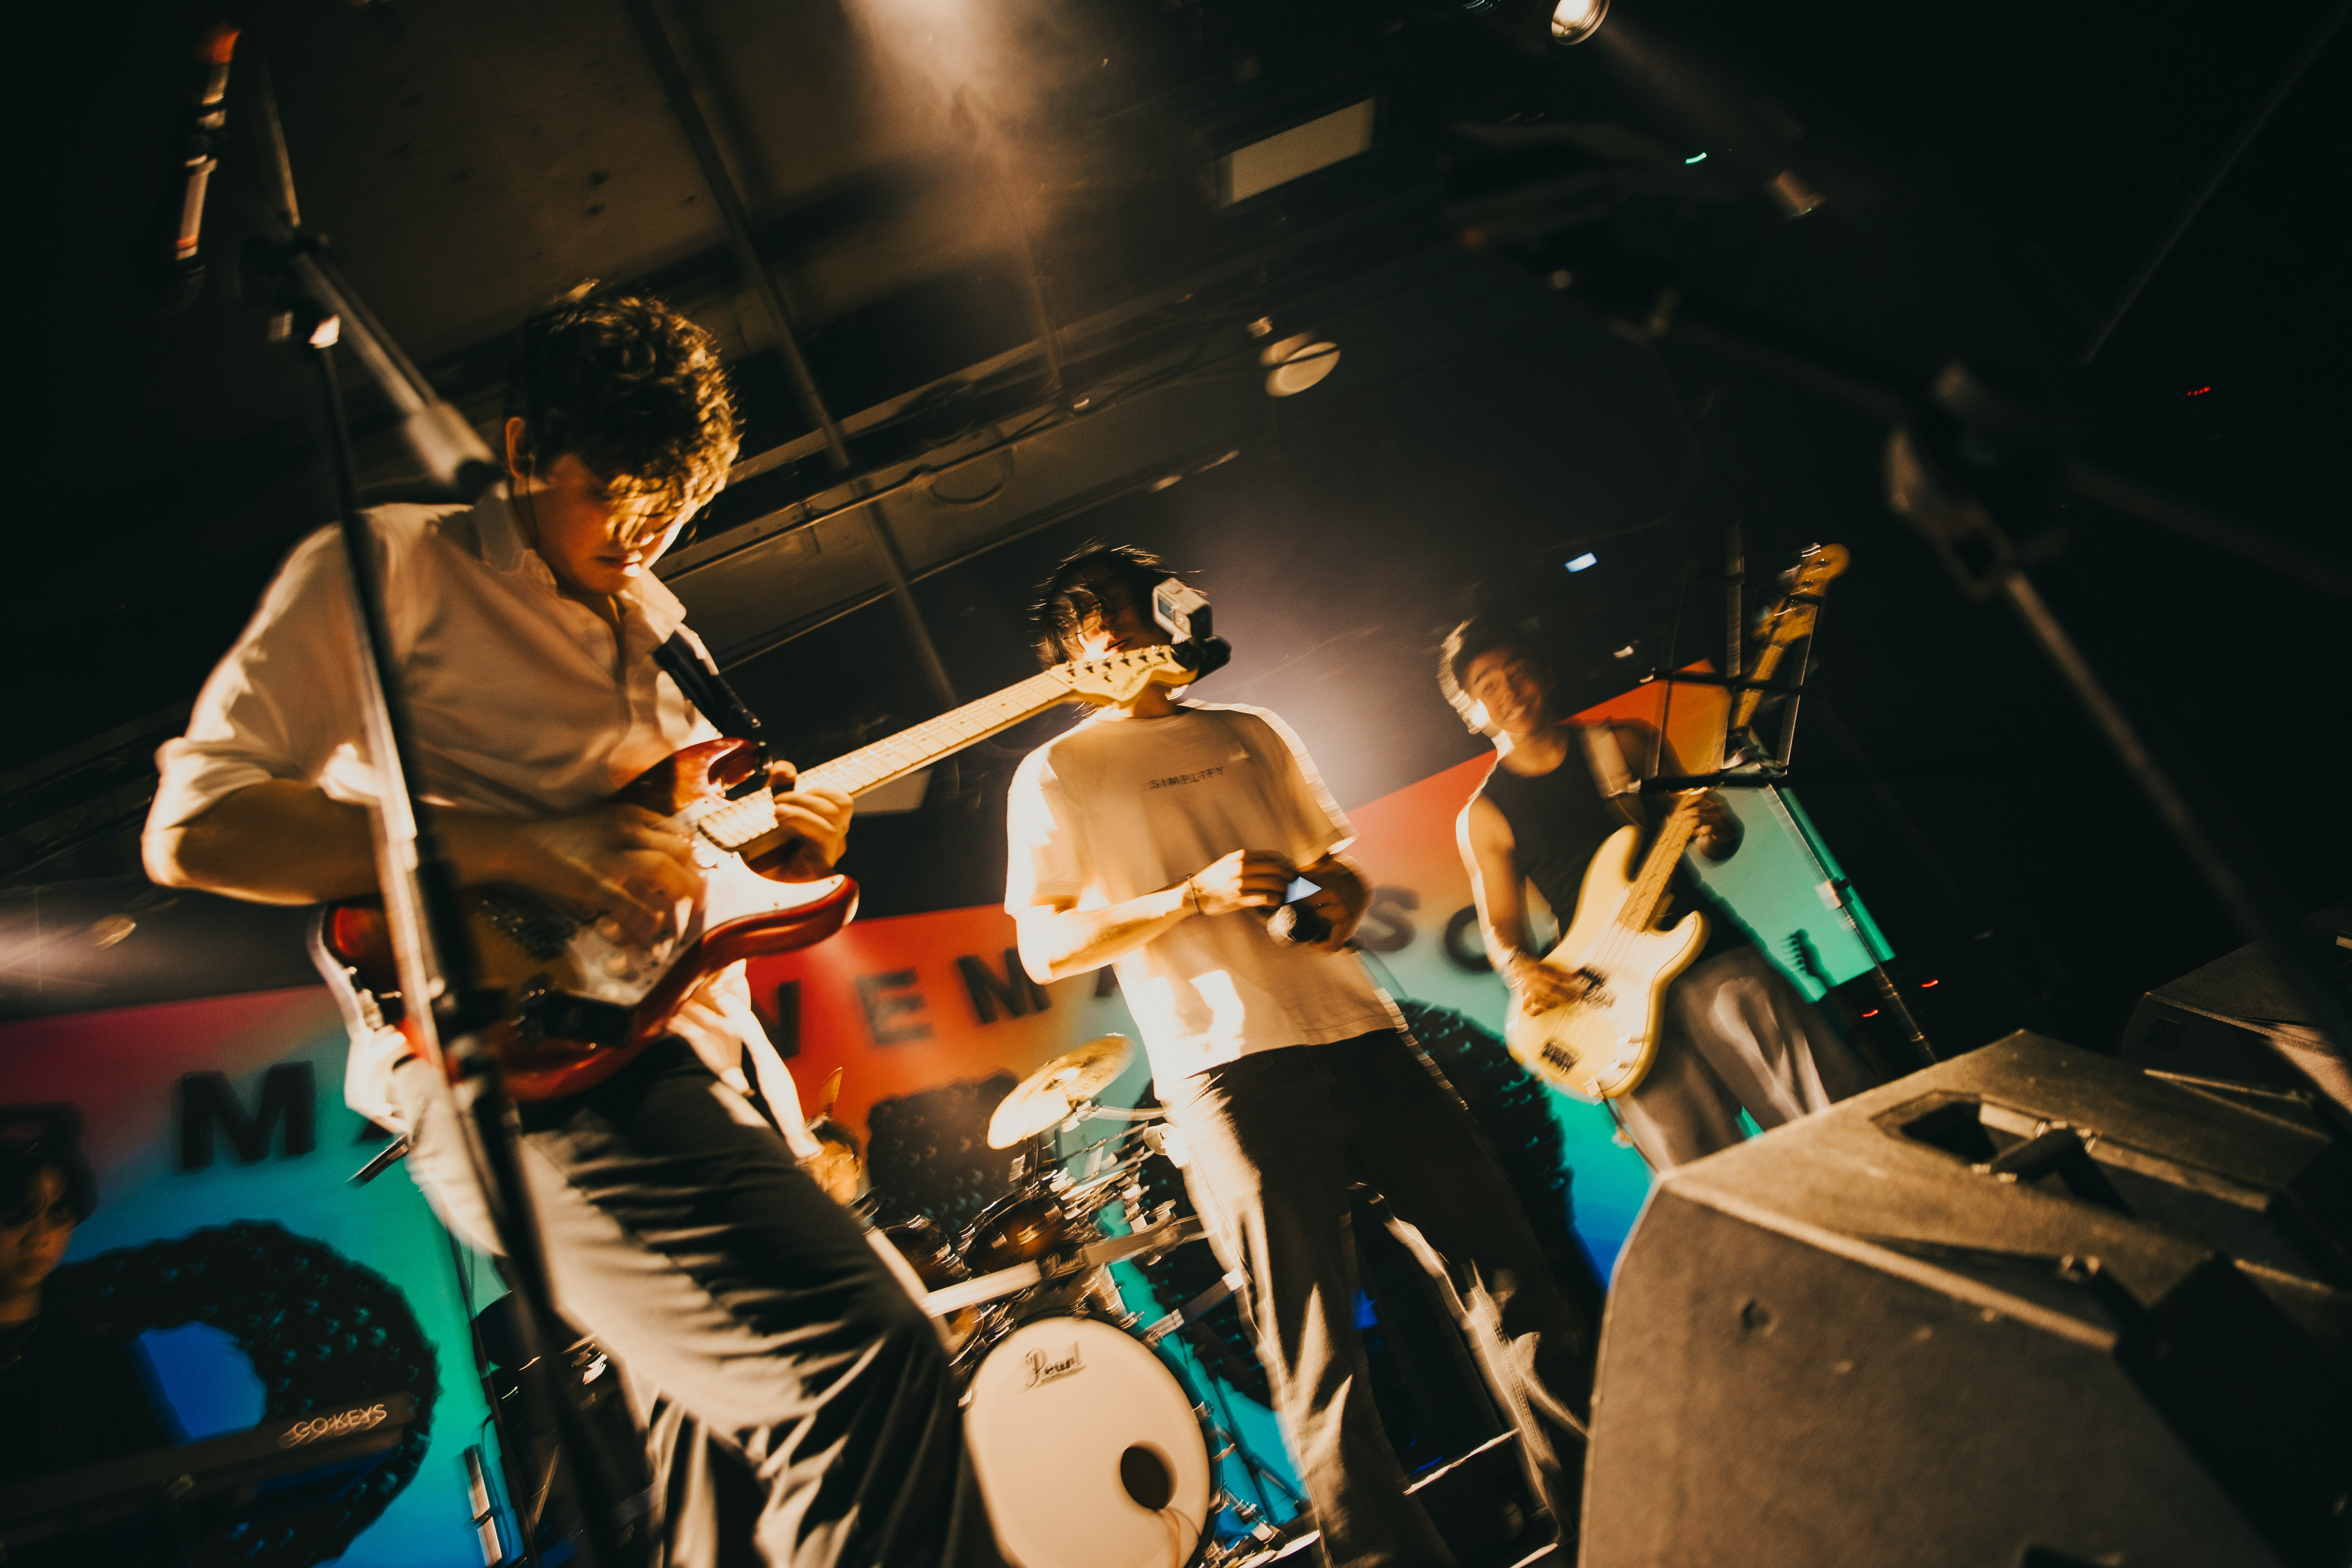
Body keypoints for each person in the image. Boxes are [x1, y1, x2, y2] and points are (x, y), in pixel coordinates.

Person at [143, 292, 987, 1568]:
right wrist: (508, 846)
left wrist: (769, 851)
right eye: (624, 495)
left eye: (680, 504)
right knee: (864, 1364)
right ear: (528, 448)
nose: (651, 533)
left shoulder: (657, 624)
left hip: (693, 1076)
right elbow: (195, 828)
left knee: (740, 1493)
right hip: (524, 1076)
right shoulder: (388, 567)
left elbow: (657, 852)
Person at [1003, 545, 1596, 1568]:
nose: (1123, 629)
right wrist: (1191, 896)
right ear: (1070, 650)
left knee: (1519, 1287)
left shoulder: (1252, 731)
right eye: (1094, 620)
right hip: (1228, 1076)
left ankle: (1613, 1525)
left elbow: (1340, 876)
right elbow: (1045, 946)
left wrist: (1336, 904)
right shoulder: (1056, 770)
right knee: (1319, 1361)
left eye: (1134, 608)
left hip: (1368, 1038)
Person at [1443, 614, 1876, 1171]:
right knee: (1700, 1173)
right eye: (1488, 686)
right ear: (1471, 711)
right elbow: (1502, 926)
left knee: (1825, 1114)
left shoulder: (1624, 743)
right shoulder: (1483, 814)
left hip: (1710, 956)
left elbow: (1712, 842)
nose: (1510, 692)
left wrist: (1716, 830)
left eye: (1519, 672)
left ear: (1546, 676)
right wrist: (1519, 968)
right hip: (1605, 1000)